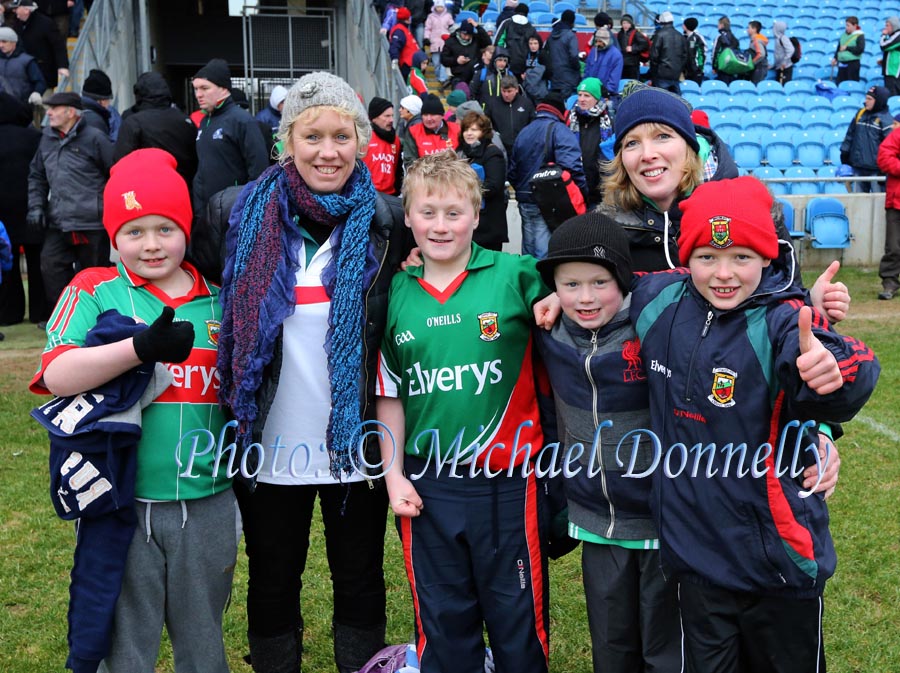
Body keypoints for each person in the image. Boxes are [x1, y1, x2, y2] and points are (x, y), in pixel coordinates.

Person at [630, 175, 880, 673]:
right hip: (696, 562)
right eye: (707, 257)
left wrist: (833, 371)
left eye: (741, 257)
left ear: (767, 257)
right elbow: (587, 287)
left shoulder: (784, 319)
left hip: (776, 565)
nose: (723, 273)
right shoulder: (656, 302)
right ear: (686, 258)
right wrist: (548, 297)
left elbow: (846, 361)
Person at [217, 71, 410, 673]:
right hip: (272, 444)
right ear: (286, 141)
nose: (329, 151)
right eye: (312, 136)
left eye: (342, 135)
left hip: (354, 445)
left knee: (359, 577)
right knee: (274, 577)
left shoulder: (389, 219)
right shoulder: (235, 211)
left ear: (360, 139)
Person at [30, 147, 238, 673]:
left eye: (165, 228)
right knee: (124, 648)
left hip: (208, 500)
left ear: (187, 230)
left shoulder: (219, 297)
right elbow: (55, 373)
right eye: (134, 231)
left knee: (203, 643)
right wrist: (138, 349)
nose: (150, 244)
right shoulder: (95, 289)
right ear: (113, 237)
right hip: (123, 503)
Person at [375, 150, 550, 673]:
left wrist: (560, 297)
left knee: (519, 622)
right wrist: (392, 476)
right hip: (430, 486)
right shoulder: (395, 294)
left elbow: (583, 290)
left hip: (508, 481)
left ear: (477, 214)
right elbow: (391, 393)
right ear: (408, 217)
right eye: (427, 212)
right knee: (443, 623)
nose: (440, 225)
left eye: (455, 213)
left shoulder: (518, 274)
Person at [534, 212, 682, 673]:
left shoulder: (657, 322)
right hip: (596, 520)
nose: (585, 297)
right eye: (570, 284)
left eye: (599, 282)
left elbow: (698, 279)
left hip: (661, 520)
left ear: (623, 277)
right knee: (612, 646)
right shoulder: (550, 333)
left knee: (665, 649)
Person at [28, 91, 113, 313]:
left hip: (91, 222)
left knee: (94, 275)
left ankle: (98, 320)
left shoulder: (95, 138)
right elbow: (36, 175)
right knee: (50, 267)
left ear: (71, 112)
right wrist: (36, 206)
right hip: (59, 220)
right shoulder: (46, 138)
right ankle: (63, 319)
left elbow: (114, 173)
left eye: (54, 109)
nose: (49, 113)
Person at [508, 91, 586, 258]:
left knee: (528, 252)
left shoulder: (525, 131)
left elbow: (513, 171)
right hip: (550, 200)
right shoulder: (559, 130)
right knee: (546, 254)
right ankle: (542, 284)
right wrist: (583, 193)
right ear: (560, 111)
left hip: (524, 198)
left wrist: (524, 190)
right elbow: (573, 167)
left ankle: (529, 283)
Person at [191, 57, 268, 216]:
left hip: (233, 211)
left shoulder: (241, 120)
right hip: (207, 212)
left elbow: (258, 169)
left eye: (205, 88)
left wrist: (247, 208)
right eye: (196, 89)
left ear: (223, 89)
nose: (198, 94)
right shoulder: (205, 121)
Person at [0, 91, 47, 326]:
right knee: (37, 262)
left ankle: (10, 313)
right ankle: (39, 312)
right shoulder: (34, 137)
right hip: (32, 207)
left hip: (3, 210)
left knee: (7, 263)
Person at [113, 71, 198, 192]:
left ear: (139, 94)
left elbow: (120, 163)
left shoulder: (133, 123)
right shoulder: (185, 120)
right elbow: (196, 160)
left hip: (147, 194)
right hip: (182, 191)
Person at [457, 110, 508, 250]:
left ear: (483, 132)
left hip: (487, 224)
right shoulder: (461, 153)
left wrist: (463, 191)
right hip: (467, 220)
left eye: (474, 130)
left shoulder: (492, 153)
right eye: (466, 129)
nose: (469, 133)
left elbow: (493, 185)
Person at [568, 77, 613, 207]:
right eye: (580, 95)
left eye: (587, 96)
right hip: (575, 188)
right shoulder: (569, 119)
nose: (581, 99)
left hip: (599, 189)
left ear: (596, 98)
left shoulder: (608, 122)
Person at [840, 86, 893, 193]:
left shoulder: (886, 121)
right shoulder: (860, 114)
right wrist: (844, 153)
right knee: (858, 202)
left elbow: (890, 147)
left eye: (869, 99)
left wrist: (885, 168)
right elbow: (850, 135)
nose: (865, 102)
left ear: (878, 101)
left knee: (878, 203)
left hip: (877, 171)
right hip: (858, 167)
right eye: (866, 98)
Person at [9, 0, 69, 91]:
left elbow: (58, 46)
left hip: (44, 73)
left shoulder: (46, 23)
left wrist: (63, 66)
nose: (14, 11)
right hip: (24, 75)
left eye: (16, 8)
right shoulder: (17, 23)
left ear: (26, 10)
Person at [401, 93, 459, 171]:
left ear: (442, 115)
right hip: (424, 179)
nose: (428, 118)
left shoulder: (456, 129)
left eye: (432, 114)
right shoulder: (414, 131)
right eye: (425, 115)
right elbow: (409, 161)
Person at [877, 112, 900, 299]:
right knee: (893, 246)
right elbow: (884, 158)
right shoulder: (897, 135)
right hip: (896, 201)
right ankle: (890, 283)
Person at [484, 74, 534, 155]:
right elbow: (486, 123)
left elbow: (532, 124)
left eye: (509, 91)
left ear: (516, 89)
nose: (506, 95)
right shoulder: (493, 104)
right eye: (503, 91)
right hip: (500, 147)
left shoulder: (526, 103)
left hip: (522, 146)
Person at [363, 96, 402, 195]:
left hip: (390, 195)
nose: (391, 120)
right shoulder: (364, 137)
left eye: (392, 116)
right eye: (387, 116)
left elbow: (398, 170)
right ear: (374, 118)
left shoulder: (396, 140)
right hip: (368, 194)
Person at [0, 25, 46, 105]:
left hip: (21, 104)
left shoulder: (27, 60)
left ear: (14, 42)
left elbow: (40, 81)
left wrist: (37, 92)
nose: (1, 45)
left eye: (4, 41)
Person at [441, 19, 490, 89]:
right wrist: (456, 61)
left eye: (469, 35)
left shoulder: (476, 39)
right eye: (464, 34)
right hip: (459, 77)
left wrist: (477, 26)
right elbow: (444, 59)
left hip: (476, 76)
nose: (466, 37)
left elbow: (488, 42)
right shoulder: (451, 41)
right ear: (460, 32)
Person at [648, 11, 688, 94]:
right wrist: (679, 69)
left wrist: (654, 74)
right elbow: (685, 56)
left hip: (661, 75)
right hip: (676, 74)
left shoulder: (659, 35)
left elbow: (654, 56)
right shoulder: (680, 36)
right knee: (676, 102)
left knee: (661, 102)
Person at [494, 3, 536, 76]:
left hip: (506, 64)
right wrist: (529, 68)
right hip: (524, 66)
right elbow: (534, 49)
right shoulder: (531, 28)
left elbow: (498, 42)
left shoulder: (506, 23)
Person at [548, 9, 580, 99]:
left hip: (554, 77)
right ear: (572, 22)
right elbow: (574, 56)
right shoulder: (570, 36)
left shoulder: (551, 35)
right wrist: (577, 68)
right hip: (568, 77)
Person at [584, 27, 624, 99]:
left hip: (605, 96)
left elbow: (614, 79)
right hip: (590, 93)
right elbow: (587, 70)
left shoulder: (616, 56)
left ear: (606, 41)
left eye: (600, 41)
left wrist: (607, 93)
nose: (597, 43)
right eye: (596, 41)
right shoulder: (593, 51)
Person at [423, 0, 454, 83]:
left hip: (445, 42)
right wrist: (426, 38)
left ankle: (442, 78)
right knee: (436, 63)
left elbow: (452, 27)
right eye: (438, 7)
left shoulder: (448, 16)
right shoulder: (431, 17)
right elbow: (428, 29)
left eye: (441, 7)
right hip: (434, 42)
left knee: (443, 62)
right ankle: (438, 76)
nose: (439, 9)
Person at [80, 68, 115, 138]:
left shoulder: (76, 112)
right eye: (108, 100)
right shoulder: (97, 122)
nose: (109, 104)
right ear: (102, 101)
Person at [832, 16, 865, 84]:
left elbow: (860, 49)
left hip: (852, 64)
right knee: (840, 82)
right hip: (842, 63)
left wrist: (847, 48)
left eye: (848, 25)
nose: (846, 27)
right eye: (846, 25)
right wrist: (835, 58)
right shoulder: (843, 35)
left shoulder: (859, 35)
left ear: (855, 26)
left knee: (851, 83)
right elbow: (839, 47)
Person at [389, 7, 418, 81]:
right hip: (407, 65)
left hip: (410, 64)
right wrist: (395, 58)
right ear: (407, 19)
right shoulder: (400, 30)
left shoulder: (403, 29)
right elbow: (395, 46)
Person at [617, 14, 649, 81]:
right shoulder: (620, 34)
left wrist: (633, 48)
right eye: (624, 23)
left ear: (631, 24)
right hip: (622, 64)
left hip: (633, 64)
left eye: (627, 23)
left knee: (633, 84)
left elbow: (645, 45)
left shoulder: (636, 33)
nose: (625, 25)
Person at [711, 16, 740, 84]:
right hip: (733, 66)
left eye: (718, 24)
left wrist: (714, 67)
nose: (717, 26)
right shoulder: (734, 38)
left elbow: (715, 52)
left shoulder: (719, 37)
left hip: (722, 66)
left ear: (722, 25)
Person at [521, 33, 550, 102]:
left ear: (539, 43)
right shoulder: (526, 54)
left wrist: (536, 76)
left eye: (535, 43)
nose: (533, 46)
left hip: (540, 89)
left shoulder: (543, 54)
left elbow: (549, 71)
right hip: (528, 89)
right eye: (530, 44)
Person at [682, 18, 707, 86]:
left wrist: (699, 68)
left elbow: (703, 53)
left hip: (696, 72)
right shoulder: (683, 37)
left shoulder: (697, 37)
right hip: (686, 71)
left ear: (686, 26)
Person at [880, 16, 900, 97]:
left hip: (894, 72)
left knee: (893, 97)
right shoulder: (894, 36)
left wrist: (883, 35)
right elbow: (894, 51)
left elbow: (884, 46)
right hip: (891, 71)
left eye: (887, 25)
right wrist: (884, 60)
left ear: (894, 26)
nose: (885, 28)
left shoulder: (898, 35)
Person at [772, 20, 795, 84]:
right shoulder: (777, 38)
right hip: (779, 67)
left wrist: (784, 62)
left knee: (783, 86)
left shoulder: (783, 38)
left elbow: (791, 50)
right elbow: (778, 54)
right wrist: (774, 65)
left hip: (785, 68)